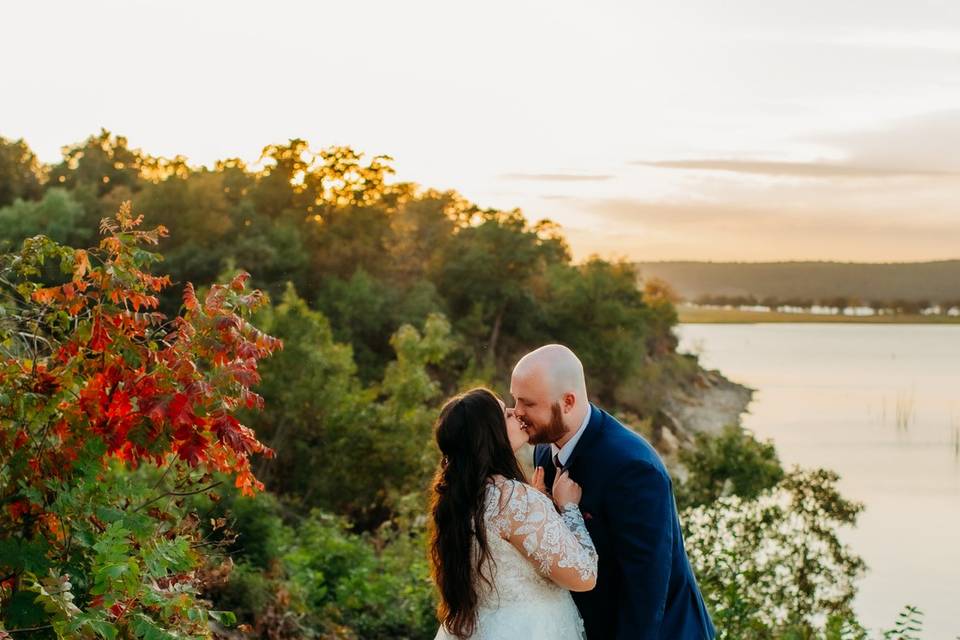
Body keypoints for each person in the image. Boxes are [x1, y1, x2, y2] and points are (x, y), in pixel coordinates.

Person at [511, 344, 716, 640]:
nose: (518, 413)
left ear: (567, 402)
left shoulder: (633, 468)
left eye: (528, 404)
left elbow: (645, 588)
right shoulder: (544, 451)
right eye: (515, 400)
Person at [429, 387, 598, 639]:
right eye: (504, 413)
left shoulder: (459, 498)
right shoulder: (513, 499)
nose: (515, 412)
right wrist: (568, 509)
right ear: (489, 434)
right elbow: (584, 577)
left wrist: (539, 507)